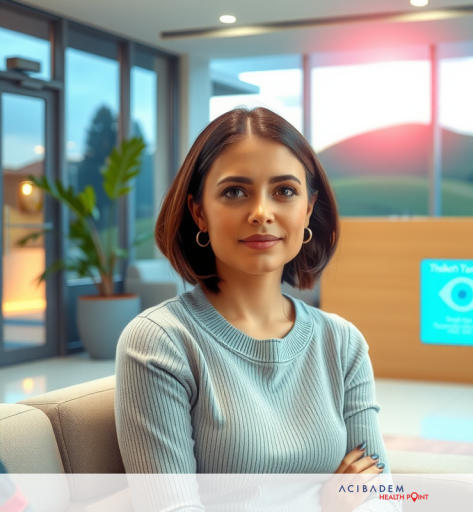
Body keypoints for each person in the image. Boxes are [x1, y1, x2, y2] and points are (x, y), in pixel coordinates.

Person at [115, 107, 395, 509]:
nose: (262, 212)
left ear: (309, 208)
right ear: (199, 212)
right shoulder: (160, 343)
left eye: (284, 191)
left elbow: (381, 500)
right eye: (234, 192)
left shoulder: (343, 342)